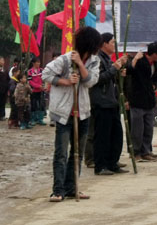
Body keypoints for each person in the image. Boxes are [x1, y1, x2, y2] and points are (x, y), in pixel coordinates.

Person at [42, 26, 102, 202]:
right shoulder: (65, 59)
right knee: (61, 153)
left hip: (82, 112)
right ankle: (58, 190)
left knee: (78, 153)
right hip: (64, 112)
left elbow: (90, 81)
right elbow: (46, 74)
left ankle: (72, 187)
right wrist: (66, 81)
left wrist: (81, 64)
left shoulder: (94, 61)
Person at [90, 33, 129, 175]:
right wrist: (114, 69)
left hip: (112, 101)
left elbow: (111, 78)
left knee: (116, 134)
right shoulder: (97, 59)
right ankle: (100, 165)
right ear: (104, 44)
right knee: (102, 136)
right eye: (112, 42)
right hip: (102, 102)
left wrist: (118, 72)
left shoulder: (107, 59)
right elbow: (97, 79)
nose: (114, 45)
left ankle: (112, 162)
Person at [127, 41, 157, 163]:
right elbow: (128, 71)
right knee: (137, 129)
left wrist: (154, 86)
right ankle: (135, 152)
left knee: (149, 128)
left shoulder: (156, 63)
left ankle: (146, 151)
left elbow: (155, 78)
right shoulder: (140, 60)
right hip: (137, 100)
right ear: (154, 53)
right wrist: (134, 59)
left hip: (149, 100)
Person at [28, 57, 46, 125]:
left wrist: (43, 86)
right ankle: (33, 119)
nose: (39, 63)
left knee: (41, 104)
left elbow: (44, 78)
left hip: (41, 90)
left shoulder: (41, 70)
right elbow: (30, 82)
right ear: (33, 63)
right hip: (33, 91)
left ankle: (40, 119)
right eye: (37, 62)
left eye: (39, 62)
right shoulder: (30, 71)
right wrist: (38, 86)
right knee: (33, 104)